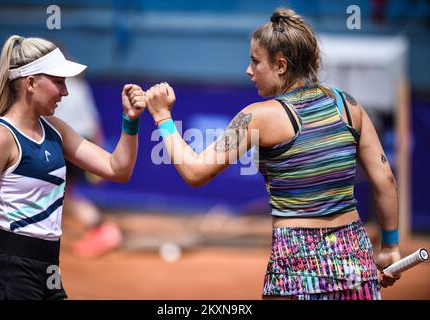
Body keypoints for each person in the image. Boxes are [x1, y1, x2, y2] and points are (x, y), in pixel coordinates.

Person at [136, 8, 401, 300]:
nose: (248, 71)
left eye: (254, 61)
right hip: (355, 259)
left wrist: (162, 117)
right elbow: (386, 179)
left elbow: (195, 172)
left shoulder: (258, 117)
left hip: (296, 263)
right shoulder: (349, 105)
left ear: (281, 66)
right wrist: (390, 248)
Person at [0, 35, 145, 299]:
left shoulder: (55, 130)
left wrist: (130, 121)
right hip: (8, 274)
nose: (65, 92)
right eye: (58, 82)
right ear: (30, 83)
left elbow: (119, 168)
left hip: (49, 273)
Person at [55, 76, 123, 258]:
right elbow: (93, 122)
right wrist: (98, 150)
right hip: (78, 142)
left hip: (64, 143)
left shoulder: (52, 85)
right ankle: (100, 230)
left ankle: (103, 229)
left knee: (61, 197)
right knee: (62, 196)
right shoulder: (79, 85)